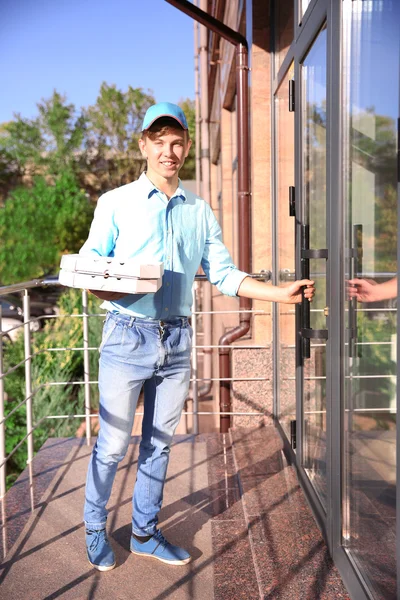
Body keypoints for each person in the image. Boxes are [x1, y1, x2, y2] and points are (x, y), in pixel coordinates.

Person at [80, 102, 315, 571]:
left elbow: (225, 275)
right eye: (159, 141)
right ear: (143, 145)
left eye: (177, 142)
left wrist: (281, 295)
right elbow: (91, 264)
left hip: (176, 342)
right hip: (126, 336)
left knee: (160, 443)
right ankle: (94, 530)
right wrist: (105, 281)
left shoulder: (200, 211)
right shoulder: (115, 203)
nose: (169, 151)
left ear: (185, 148)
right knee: (111, 444)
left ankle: (144, 532)